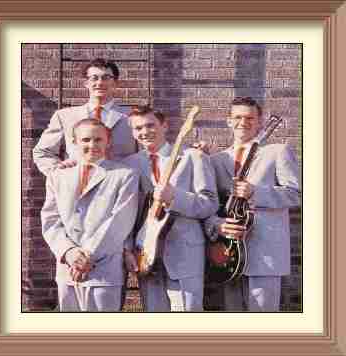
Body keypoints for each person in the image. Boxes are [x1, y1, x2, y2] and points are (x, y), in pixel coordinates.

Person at [204, 96, 300, 312]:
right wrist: (217, 224)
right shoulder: (217, 160)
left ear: (259, 121)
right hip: (228, 253)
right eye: (237, 117)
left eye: (249, 117)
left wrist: (255, 192)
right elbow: (210, 205)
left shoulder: (277, 152)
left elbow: (296, 195)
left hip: (265, 255)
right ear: (229, 121)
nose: (243, 122)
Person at [123, 105, 218, 312]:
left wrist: (175, 197)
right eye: (138, 128)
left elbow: (209, 204)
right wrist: (127, 249)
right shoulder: (128, 165)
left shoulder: (193, 157)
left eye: (150, 125)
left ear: (164, 125)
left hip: (184, 253)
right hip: (146, 253)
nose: (145, 132)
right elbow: (125, 215)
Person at [40, 119, 139, 311]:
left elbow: (120, 220)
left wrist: (88, 257)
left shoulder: (125, 175)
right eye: (85, 139)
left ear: (108, 141)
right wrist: (69, 252)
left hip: (104, 269)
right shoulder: (58, 176)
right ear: (74, 141)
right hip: (67, 269)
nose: (92, 145)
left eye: (98, 139)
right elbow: (51, 219)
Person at [33, 58, 137, 176]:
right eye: (94, 78)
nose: (100, 82)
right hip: (78, 185)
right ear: (86, 83)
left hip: (121, 186)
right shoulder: (64, 116)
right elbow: (42, 152)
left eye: (106, 77)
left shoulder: (132, 116)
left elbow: (146, 154)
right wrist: (58, 175)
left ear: (115, 83)